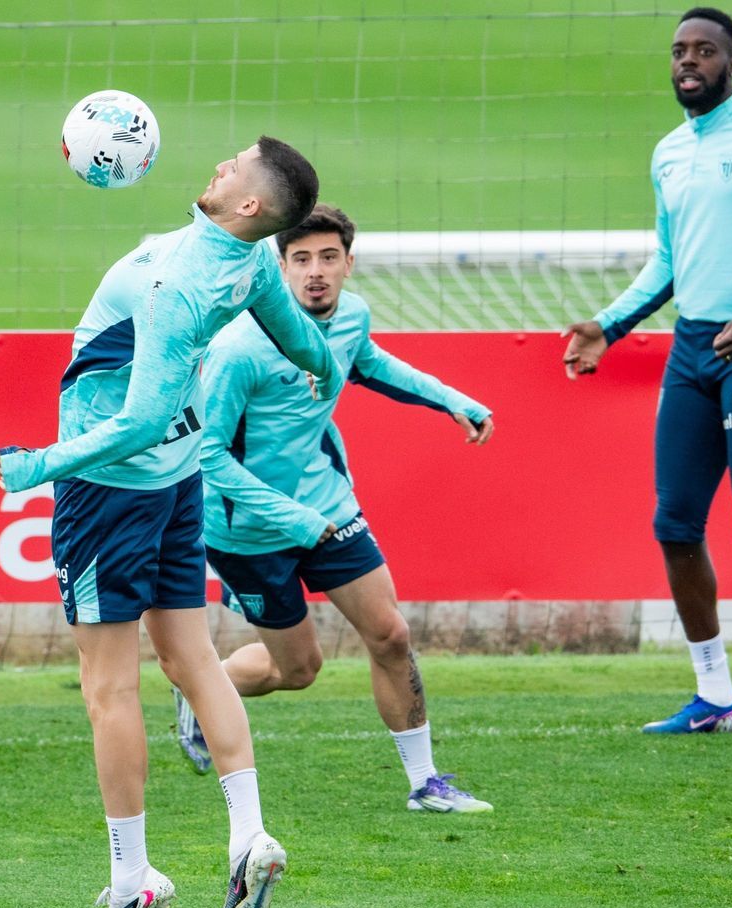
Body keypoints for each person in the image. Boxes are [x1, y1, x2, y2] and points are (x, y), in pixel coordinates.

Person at [0, 137, 338, 908]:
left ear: (251, 206)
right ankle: (249, 834)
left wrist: (40, 465)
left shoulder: (176, 283)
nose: (219, 165)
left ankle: (132, 875)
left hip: (111, 491)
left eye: (235, 167)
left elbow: (140, 419)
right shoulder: (250, 263)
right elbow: (296, 333)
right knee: (193, 659)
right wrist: (324, 367)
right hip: (178, 481)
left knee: (109, 686)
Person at [561, 7, 732, 748]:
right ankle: (714, 693)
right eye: (680, 50)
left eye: (705, 50)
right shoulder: (669, 153)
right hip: (691, 353)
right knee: (674, 526)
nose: (689, 61)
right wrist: (609, 326)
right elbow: (669, 261)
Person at [174, 204, 498, 812]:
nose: (315, 272)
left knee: (390, 633)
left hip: (329, 506)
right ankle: (201, 686)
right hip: (248, 529)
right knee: (297, 670)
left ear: (349, 263)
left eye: (328, 257)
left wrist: (452, 400)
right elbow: (207, 458)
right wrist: (293, 519)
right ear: (281, 267)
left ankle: (425, 784)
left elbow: (370, 365)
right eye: (301, 259)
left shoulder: (351, 316)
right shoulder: (240, 348)